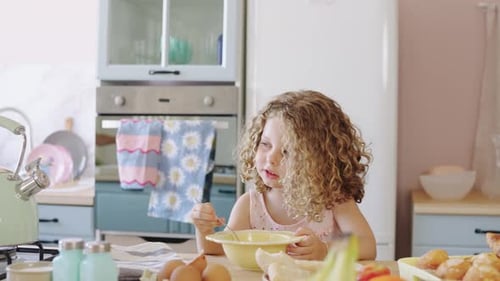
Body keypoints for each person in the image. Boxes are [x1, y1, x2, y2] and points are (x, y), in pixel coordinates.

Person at [190, 90, 376, 261]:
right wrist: (203, 229)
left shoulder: (335, 202)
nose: (271, 159)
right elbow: (220, 250)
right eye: (265, 144)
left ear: (320, 161)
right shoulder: (250, 205)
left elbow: (367, 246)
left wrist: (325, 250)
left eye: (287, 152)